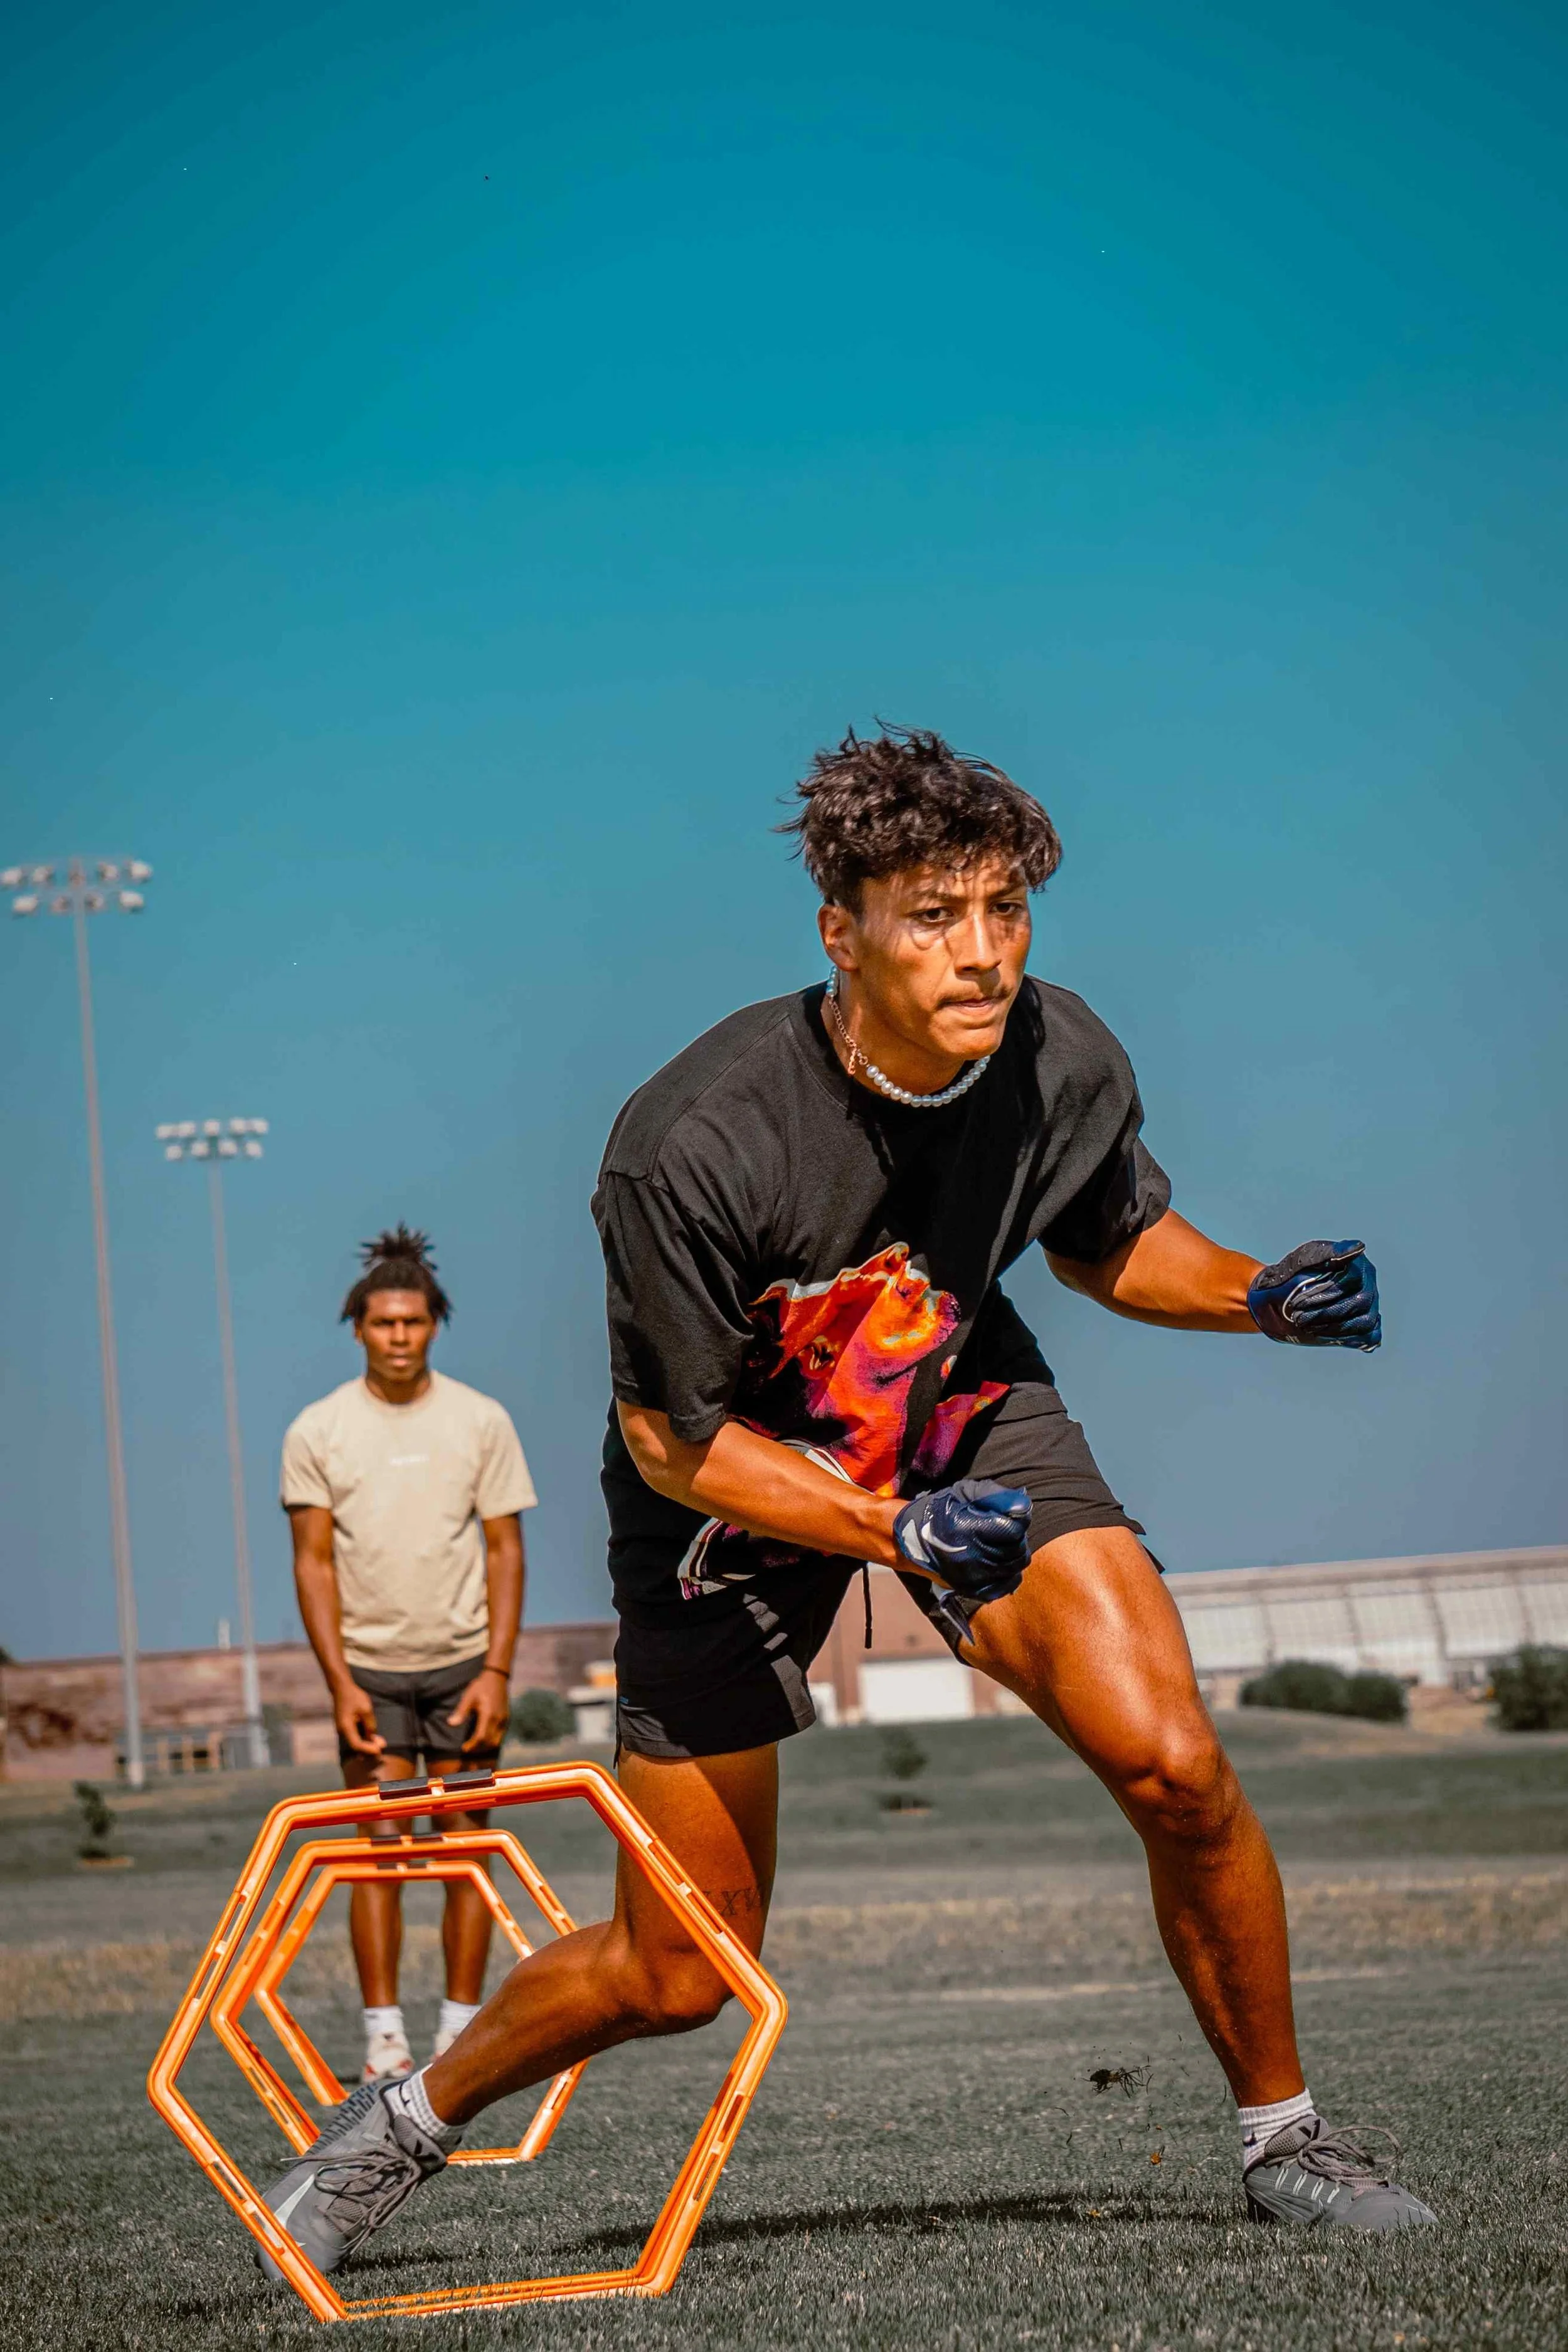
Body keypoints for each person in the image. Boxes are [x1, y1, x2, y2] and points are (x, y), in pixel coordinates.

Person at [259, 730, 1433, 2279]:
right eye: (933, 917)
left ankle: (1285, 2140)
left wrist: (1255, 1295)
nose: (981, 953)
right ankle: (402, 2120)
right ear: (841, 931)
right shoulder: (692, 1142)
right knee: (682, 1967)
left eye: (1004, 910)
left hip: (952, 1408)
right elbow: (672, 1444)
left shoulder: (1058, 1056)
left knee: (1174, 1767)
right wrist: (887, 1534)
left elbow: (1104, 1242)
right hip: (724, 1499)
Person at [280, 1226, 537, 2084]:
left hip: (465, 1668)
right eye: (384, 1322)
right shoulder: (318, 1429)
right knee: (378, 1852)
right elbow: (312, 1564)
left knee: (467, 1848)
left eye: (414, 1321)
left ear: (435, 1325)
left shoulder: (481, 1420)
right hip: (370, 1674)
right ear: (357, 1327)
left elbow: (505, 1550)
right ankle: (384, 2041)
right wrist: (339, 1684)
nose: (399, 1336)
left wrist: (498, 1672)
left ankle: (459, 2032)